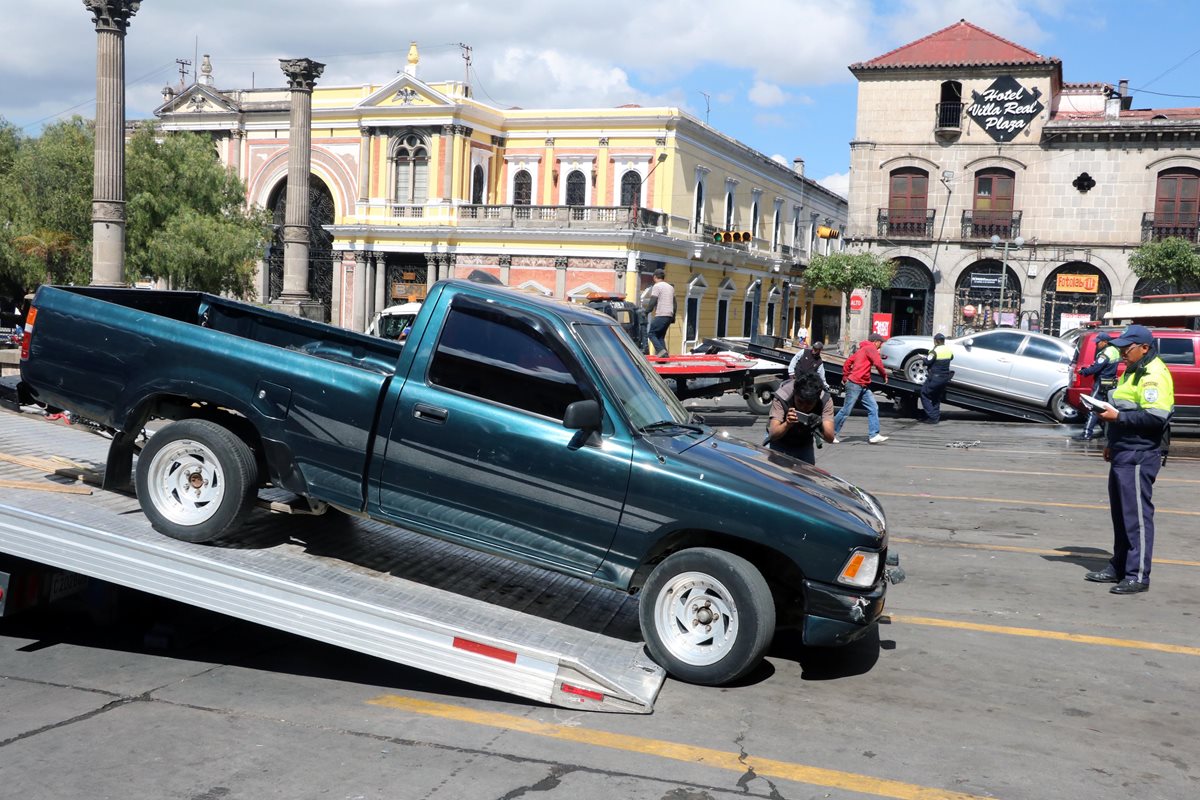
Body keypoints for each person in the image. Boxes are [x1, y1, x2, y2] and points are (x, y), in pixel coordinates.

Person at [1085, 325, 1174, 595]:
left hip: (1139, 453)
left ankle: (1137, 575)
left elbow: (1156, 417)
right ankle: (1120, 565)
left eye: (1127, 348)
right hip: (1123, 449)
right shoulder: (1133, 370)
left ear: (1144, 348)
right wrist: (1111, 441)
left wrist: (1118, 418)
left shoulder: (1154, 374)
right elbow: (1122, 406)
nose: (1122, 352)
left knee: (1136, 517)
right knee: (1121, 515)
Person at [766, 371, 835, 464]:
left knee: (806, 476)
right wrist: (787, 424)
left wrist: (820, 424)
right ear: (794, 393)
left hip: (804, 443)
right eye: (800, 402)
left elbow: (830, 438)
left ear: (817, 398)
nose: (803, 407)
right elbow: (773, 434)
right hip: (779, 441)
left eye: (809, 404)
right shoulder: (782, 396)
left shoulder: (825, 400)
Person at [833, 332, 889, 444]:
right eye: (880, 343)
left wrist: (845, 376)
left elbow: (848, 361)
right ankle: (830, 433)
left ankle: (874, 435)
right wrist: (884, 375)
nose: (881, 346)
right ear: (875, 342)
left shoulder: (862, 349)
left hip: (862, 384)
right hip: (855, 383)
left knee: (873, 407)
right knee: (846, 410)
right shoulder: (871, 348)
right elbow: (878, 363)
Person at [1075, 332, 1120, 441]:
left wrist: (1083, 371)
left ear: (1105, 342)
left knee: (1093, 407)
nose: (1096, 345)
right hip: (1110, 382)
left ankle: (1087, 434)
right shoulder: (1115, 351)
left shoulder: (1104, 354)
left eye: (1098, 342)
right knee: (1105, 408)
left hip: (1101, 382)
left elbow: (1096, 368)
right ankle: (1107, 433)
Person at [918, 333, 954, 424]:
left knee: (924, 393)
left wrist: (923, 359)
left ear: (936, 341)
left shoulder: (934, 351)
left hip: (935, 377)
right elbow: (952, 357)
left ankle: (932, 416)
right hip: (945, 377)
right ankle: (935, 416)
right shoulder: (948, 350)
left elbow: (928, 362)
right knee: (936, 397)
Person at [643, 269, 676, 357]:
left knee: (651, 334)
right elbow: (674, 304)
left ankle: (661, 352)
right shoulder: (670, 287)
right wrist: (673, 317)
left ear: (654, 277)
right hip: (669, 315)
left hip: (661, 314)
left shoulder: (657, 286)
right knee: (660, 336)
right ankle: (665, 356)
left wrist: (646, 312)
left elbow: (653, 300)